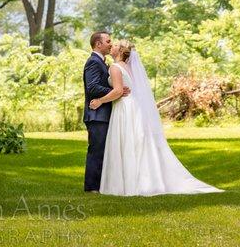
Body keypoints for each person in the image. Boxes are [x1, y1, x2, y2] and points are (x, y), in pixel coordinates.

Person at [89, 39, 224, 196]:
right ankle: (142, 180)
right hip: (133, 107)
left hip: (124, 107)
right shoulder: (128, 66)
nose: (112, 46)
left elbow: (118, 91)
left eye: (116, 45)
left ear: (120, 51)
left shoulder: (115, 67)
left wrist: (100, 101)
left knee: (127, 142)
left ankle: (129, 184)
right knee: (136, 143)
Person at [82, 31, 130, 193]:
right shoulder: (93, 62)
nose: (111, 44)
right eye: (108, 41)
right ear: (98, 44)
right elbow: (93, 87)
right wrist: (116, 90)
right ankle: (92, 188)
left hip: (105, 113)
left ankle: (103, 185)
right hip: (97, 114)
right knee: (97, 150)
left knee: (105, 151)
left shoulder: (104, 62)